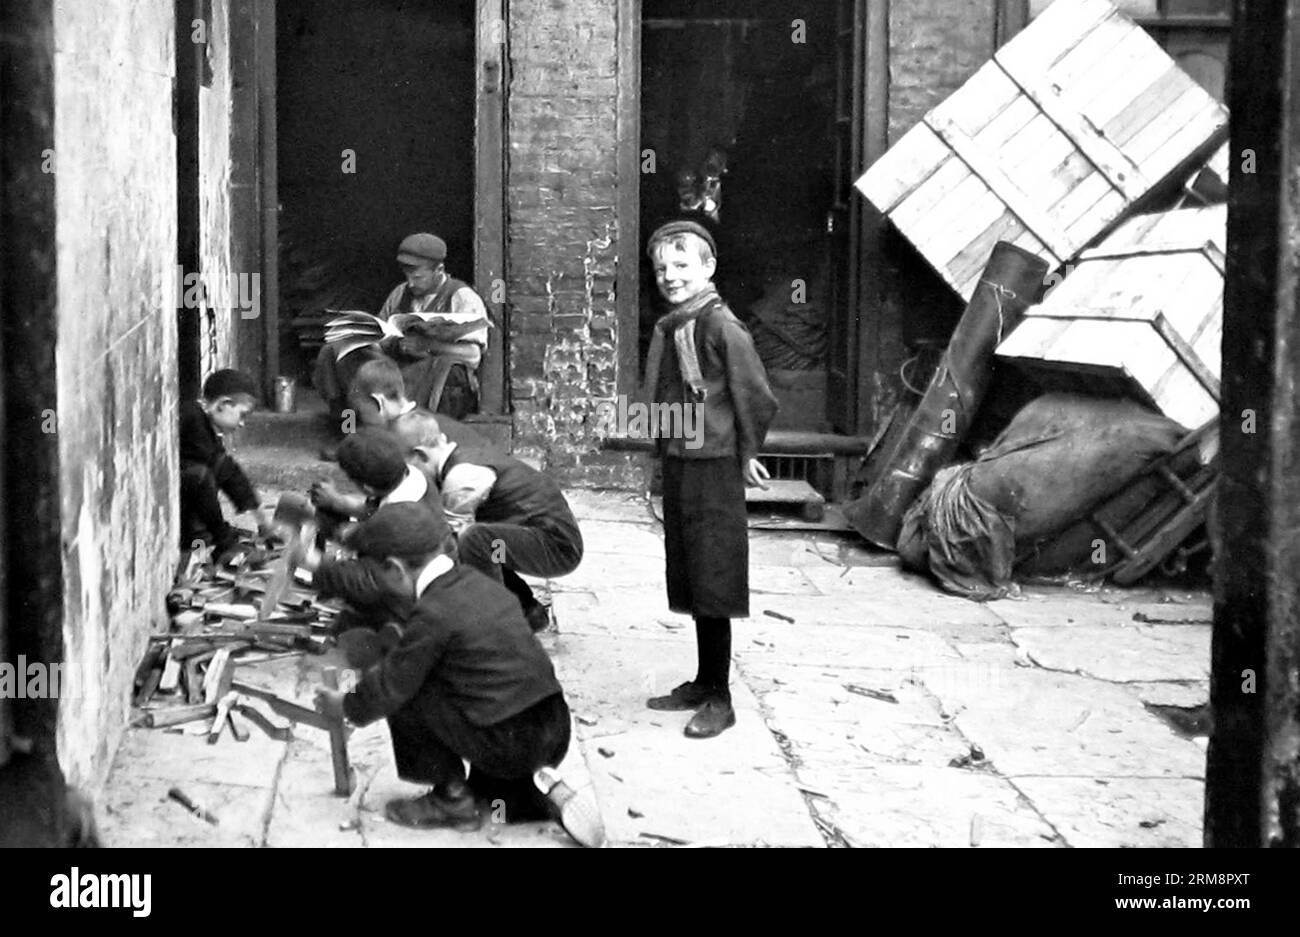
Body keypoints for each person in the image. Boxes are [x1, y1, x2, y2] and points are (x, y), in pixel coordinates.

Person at [306, 504, 604, 847]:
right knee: (495, 781)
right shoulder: (480, 583)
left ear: (395, 569)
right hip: (552, 725)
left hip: (507, 741)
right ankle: (525, 794)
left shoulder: (433, 613)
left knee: (404, 676)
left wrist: (346, 704)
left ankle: (451, 798)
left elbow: (391, 686)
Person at [641, 220, 778, 739]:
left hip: (714, 464)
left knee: (715, 573)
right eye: (661, 268)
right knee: (693, 570)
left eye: (681, 266)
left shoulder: (721, 326)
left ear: (707, 269)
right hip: (683, 460)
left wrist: (747, 453)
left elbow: (755, 394)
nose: (670, 277)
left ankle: (721, 697)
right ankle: (703, 679)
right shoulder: (677, 324)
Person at [390, 409, 583, 633]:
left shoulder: (461, 475)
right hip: (530, 539)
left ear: (421, 455)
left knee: (472, 540)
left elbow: (449, 549)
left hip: (556, 547)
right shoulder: (463, 455)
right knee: (482, 547)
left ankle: (493, 629)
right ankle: (527, 612)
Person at [312, 232, 491, 453]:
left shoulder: (462, 297)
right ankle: (346, 430)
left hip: (435, 371)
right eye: (406, 274)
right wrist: (368, 340)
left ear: (439, 271)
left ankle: (388, 440)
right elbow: (383, 334)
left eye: (417, 276)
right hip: (399, 363)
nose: (410, 282)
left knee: (431, 374)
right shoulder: (400, 293)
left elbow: (473, 355)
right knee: (335, 351)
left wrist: (427, 346)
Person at [179, 368, 273, 558]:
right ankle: (219, 542)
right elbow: (221, 469)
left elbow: (229, 473)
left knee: (211, 472)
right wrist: (225, 536)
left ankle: (210, 537)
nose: (242, 424)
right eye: (242, 415)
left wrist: (263, 521)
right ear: (224, 404)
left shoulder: (202, 421)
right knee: (200, 476)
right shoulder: (193, 419)